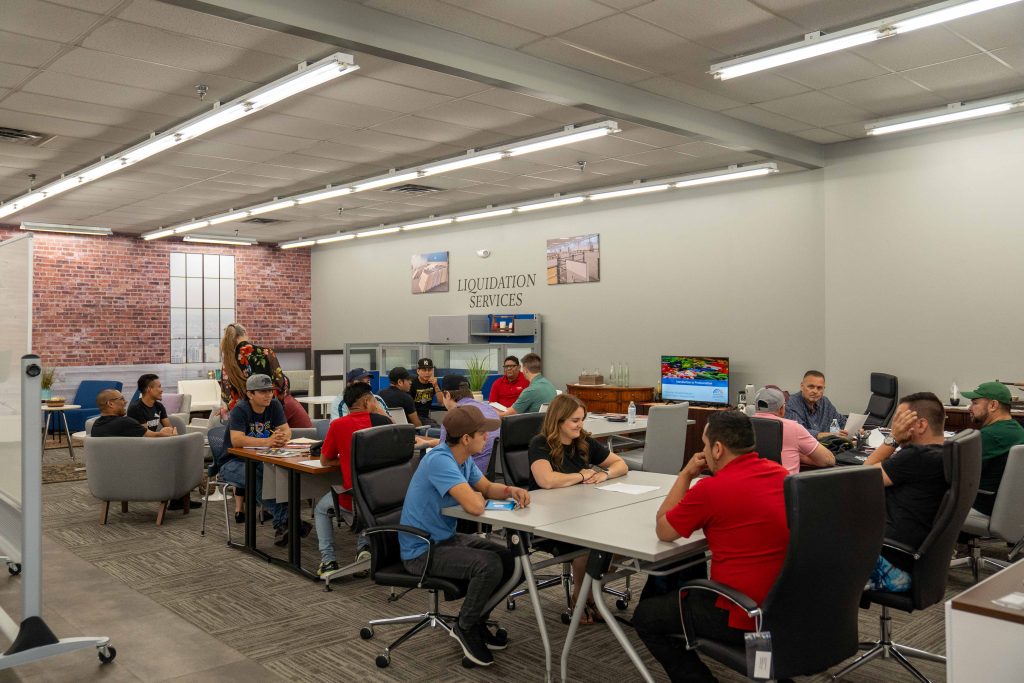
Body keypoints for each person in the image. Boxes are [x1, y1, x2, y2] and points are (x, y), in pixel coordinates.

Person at [633, 410, 790, 682]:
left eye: (704, 444)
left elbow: (664, 529)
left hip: (740, 611)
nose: (702, 450)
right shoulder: (782, 475)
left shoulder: (710, 489)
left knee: (646, 617)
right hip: (786, 602)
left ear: (717, 449)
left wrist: (685, 475)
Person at [400, 405, 530, 667]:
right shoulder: (439, 459)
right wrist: (477, 497)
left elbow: (486, 488)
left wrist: (509, 490)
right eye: (483, 433)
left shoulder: (462, 458)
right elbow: (474, 506)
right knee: (489, 565)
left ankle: (477, 618)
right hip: (421, 550)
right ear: (466, 438)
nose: (487, 438)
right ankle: (466, 626)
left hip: (444, 539)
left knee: (512, 561)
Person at [528, 393, 629, 624]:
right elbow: (546, 480)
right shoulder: (540, 443)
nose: (580, 425)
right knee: (590, 546)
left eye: (582, 419)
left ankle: (590, 594)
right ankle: (580, 599)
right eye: (575, 420)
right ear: (559, 421)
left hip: (581, 512)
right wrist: (581, 475)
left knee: (620, 544)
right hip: (549, 520)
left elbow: (620, 464)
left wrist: (605, 474)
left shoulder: (582, 442)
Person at [862, 392, 949, 592]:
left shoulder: (917, 457)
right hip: (916, 561)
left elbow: (862, 476)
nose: (895, 426)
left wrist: (893, 439)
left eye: (900, 420)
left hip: (892, 563)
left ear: (920, 425)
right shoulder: (947, 452)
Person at [313, 383, 392, 576]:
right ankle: (364, 548)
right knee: (368, 501)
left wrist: (347, 460)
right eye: (374, 400)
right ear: (367, 401)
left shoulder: (338, 425)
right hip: (386, 501)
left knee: (320, 509)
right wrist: (381, 412)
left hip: (353, 502)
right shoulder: (384, 423)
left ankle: (328, 561)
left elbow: (324, 461)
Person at [221, 374, 308, 544]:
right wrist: (267, 441)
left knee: (283, 477)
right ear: (250, 394)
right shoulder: (240, 409)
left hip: (261, 459)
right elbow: (236, 440)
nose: (268, 395)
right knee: (257, 478)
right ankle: (289, 522)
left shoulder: (274, 405)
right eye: (263, 391)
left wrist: (282, 437)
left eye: (270, 391)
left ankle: (284, 525)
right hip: (232, 462)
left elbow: (286, 430)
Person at [128, 374, 202, 510]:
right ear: (149, 389)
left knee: (184, 456)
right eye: (159, 386)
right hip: (139, 449)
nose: (162, 390)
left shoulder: (158, 406)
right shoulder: (136, 408)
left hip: (155, 445)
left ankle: (179, 498)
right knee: (176, 459)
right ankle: (177, 498)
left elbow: (169, 428)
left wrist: (172, 434)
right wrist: (164, 435)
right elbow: (144, 435)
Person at [219, 322, 312, 428]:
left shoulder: (228, 363)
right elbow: (280, 385)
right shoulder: (265, 352)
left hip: (246, 415)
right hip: (274, 408)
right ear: (245, 333)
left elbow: (227, 397)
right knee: (309, 434)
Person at [962, 381, 1024, 515]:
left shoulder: (990, 435)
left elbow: (955, 470)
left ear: (993, 405)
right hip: (1009, 507)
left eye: (975, 403)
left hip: (982, 504)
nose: (969, 408)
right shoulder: (1018, 430)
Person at [753, 386, 835, 473]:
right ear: (782, 409)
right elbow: (828, 460)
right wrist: (801, 456)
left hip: (752, 485)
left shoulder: (743, 425)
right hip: (783, 485)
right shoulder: (793, 427)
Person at [438, 374, 501, 474]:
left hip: (468, 477)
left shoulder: (455, 416)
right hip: (497, 473)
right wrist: (428, 442)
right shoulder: (489, 408)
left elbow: (443, 454)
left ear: (448, 395)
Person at [785, 370, 847, 438]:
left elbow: (840, 421)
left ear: (824, 389)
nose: (815, 391)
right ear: (802, 386)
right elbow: (797, 432)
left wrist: (856, 430)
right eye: (811, 387)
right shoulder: (791, 403)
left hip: (828, 445)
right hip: (804, 447)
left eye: (819, 388)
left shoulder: (825, 402)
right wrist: (820, 435)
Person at [92, 388, 176, 438]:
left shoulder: (96, 425)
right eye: (122, 399)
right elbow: (152, 438)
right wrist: (169, 434)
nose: (125, 402)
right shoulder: (126, 422)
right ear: (110, 404)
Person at [410, 357, 441, 426]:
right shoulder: (412, 383)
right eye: (424, 370)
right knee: (438, 430)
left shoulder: (434, 383)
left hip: (426, 417)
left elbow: (441, 402)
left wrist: (436, 386)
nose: (427, 373)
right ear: (418, 371)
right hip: (413, 417)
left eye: (429, 370)